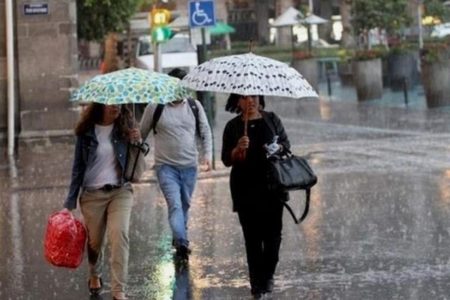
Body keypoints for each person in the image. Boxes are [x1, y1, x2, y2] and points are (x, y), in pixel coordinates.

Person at [64, 103, 141, 300]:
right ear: (101, 105)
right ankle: (94, 274)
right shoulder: (87, 132)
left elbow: (136, 162)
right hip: (92, 195)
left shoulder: (125, 127)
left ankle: (118, 290)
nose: (117, 107)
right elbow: (78, 167)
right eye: (112, 104)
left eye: (119, 103)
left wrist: (136, 141)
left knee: (119, 235)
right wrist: (70, 202)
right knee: (95, 242)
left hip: (120, 191)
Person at [221, 94, 291, 299]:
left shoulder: (272, 119)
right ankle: (256, 284)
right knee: (252, 238)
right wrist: (237, 149)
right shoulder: (233, 127)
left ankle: (267, 275)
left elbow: (286, 145)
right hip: (245, 188)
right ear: (237, 102)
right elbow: (226, 159)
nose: (250, 101)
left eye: (253, 96)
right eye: (244, 98)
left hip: (272, 186)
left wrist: (278, 147)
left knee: (273, 236)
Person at [140, 68, 213, 261]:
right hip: (166, 167)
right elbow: (142, 133)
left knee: (185, 205)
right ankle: (182, 241)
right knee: (175, 205)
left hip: (190, 166)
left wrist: (208, 155)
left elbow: (205, 131)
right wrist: (134, 145)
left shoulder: (194, 106)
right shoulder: (155, 107)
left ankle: (179, 237)